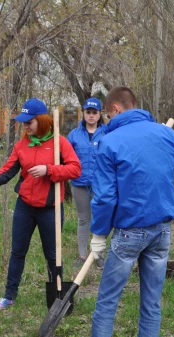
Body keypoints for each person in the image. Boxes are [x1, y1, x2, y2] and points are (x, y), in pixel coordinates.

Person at [70, 86, 174, 337]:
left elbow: (104, 198)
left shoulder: (109, 142)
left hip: (129, 233)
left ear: (115, 109)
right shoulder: (164, 134)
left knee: (106, 303)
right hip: (162, 231)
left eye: (106, 112)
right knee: (151, 305)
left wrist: (99, 234)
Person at [0, 98, 81, 310]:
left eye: (30, 122)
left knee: (53, 255)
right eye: (24, 122)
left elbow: (75, 169)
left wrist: (49, 170)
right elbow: (7, 171)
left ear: (42, 120)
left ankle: (57, 296)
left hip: (50, 209)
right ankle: (9, 296)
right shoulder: (22, 145)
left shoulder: (60, 143)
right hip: (25, 207)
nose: (26, 126)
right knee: (18, 251)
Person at [67, 97, 106, 269]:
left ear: (99, 114)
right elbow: (66, 157)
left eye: (94, 112)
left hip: (100, 185)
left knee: (100, 219)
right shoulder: (74, 135)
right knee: (83, 220)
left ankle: (98, 255)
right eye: (88, 112)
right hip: (79, 184)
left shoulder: (107, 133)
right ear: (83, 113)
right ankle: (83, 256)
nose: (91, 116)